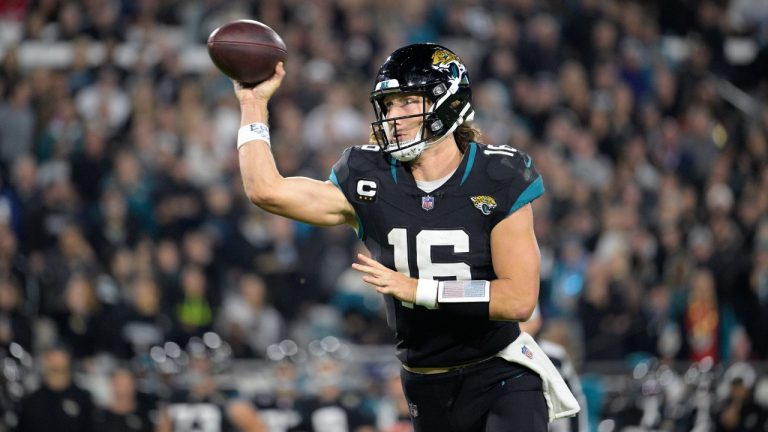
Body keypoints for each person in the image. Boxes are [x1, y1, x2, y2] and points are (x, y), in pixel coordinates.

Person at [234, 42, 579, 431]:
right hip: (425, 381)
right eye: (389, 105)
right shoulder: (369, 176)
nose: (392, 117)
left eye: (406, 103)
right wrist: (252, 104)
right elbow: (266, 191)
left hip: (501, 372)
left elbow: (519, 299)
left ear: (446, 102)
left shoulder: (498, 175)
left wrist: (419, 290)